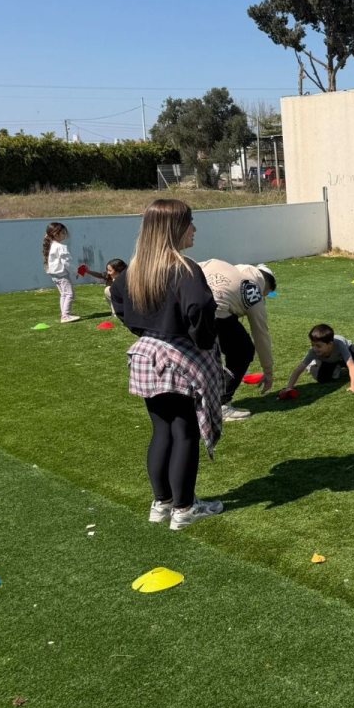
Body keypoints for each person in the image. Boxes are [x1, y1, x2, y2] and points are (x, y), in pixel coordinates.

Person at [110, 199, 225, 531]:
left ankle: (161, 503)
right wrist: (202, 340)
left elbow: (116, 298)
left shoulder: (136, 270)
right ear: (174, 228)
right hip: (178, 360)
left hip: (145, 356)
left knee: (162, 430)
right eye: (190, 222)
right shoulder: (185, 268)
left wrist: (140, 328)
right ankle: (184, 509)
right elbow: (201, 309)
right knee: (185, 432)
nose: (194, 229)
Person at [199, 258, 278, 421]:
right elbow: (261, 333)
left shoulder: (217, 263)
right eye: (267, 294)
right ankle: (221, 404)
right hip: (214, 313)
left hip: (182, 308)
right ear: (266, 285)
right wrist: (268, 371)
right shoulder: (253, 290)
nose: (264, 298)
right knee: (243, 352)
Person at [284, 323, 354, 394]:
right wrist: (289, 388)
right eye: (312, 345)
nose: (315, 348)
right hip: (328, 360)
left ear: (330, 344)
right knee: (322, 379)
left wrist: (353, 386)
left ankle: (339, 364)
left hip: (343, 354)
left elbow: (351, 365)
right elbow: (299, 369)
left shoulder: (340, 344)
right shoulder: (313, 351)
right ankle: (313, 366)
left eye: (318, 346)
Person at [42, 221, 81, 323]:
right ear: (56, 234)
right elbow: (67, 262)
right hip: (61, 274)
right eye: (63, 233)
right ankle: (65, 316)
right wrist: (75, 271)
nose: (64, 235)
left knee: (64, 294)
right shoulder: (61, 247)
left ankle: (64, 314)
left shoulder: (51, 245)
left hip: (54, 275)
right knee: (69, 294)